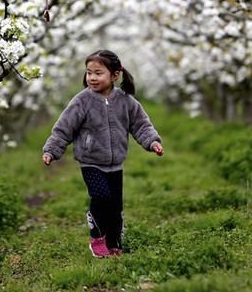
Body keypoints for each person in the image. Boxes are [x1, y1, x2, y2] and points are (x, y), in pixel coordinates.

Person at [42, 49, 164, 258]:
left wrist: (152, 142)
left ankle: (114, 242)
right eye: (89, 73)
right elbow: (64, 128)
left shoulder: (126, 101)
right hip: (91, 161)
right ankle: (97, 237)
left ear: (115, 75)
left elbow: (141, 124)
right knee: (101, 197)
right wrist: (52, 150)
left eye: (98, 73)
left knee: (115, 207)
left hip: (116, 163)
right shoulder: (82, 101)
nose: (92, 78)